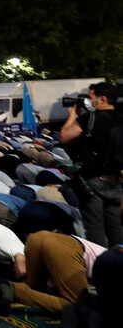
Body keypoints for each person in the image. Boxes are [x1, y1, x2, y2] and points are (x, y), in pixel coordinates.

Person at [60, 82, 123, 247]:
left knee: (95, 231)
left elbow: (65, 136)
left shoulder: (89, 118)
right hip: (116, 183)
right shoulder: (121, 119)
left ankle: (100, 267)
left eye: (90, 97)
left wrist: (72, 116)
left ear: (102, 99)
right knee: (116, 230)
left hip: (92, 183)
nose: (89, 101)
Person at [0, 230, 105, 316]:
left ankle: (6, 288)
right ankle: (16, 292)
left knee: (36, 290)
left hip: (39, 238)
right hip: (62, 247)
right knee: (77, 306)